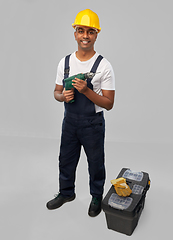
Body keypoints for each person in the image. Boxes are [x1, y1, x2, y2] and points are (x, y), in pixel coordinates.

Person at [46, 9, 115, 217]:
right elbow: (56, 92)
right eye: (81, 30)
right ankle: (66, 193)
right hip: (70, 122)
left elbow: (109, 103)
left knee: (95, 163)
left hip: (92, 124)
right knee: (65, 159)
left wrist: (86, 91)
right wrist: (62, 97)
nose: (85, 35)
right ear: (75, 33)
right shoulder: (64, 62)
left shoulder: (104, 66)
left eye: (91, 31)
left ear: (96, 35)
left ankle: (96, 196)